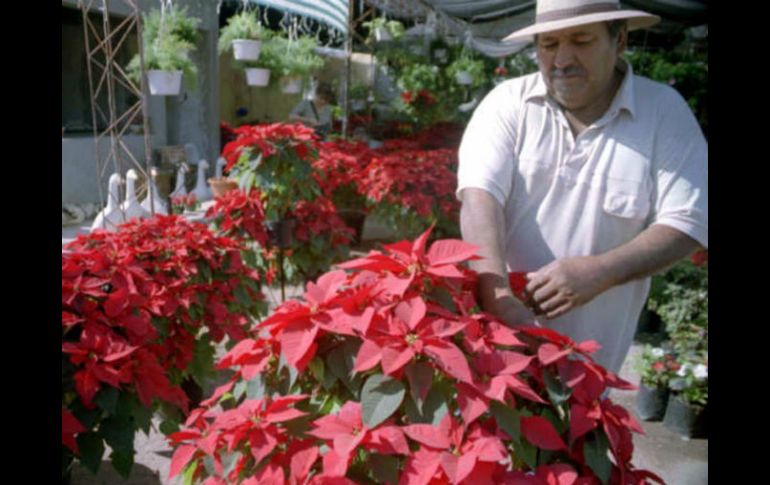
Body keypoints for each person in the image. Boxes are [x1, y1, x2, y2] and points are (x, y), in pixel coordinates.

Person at [456, 0, 708, 374]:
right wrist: (499, 298)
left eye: (581, 40)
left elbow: (689, 222)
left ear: (619, 40)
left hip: (590, 371)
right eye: (549, 44)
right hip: (496, 357)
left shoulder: (663, 112)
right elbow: (480, 197)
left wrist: (600, 272)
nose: (562, 59)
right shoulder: (508, 103)